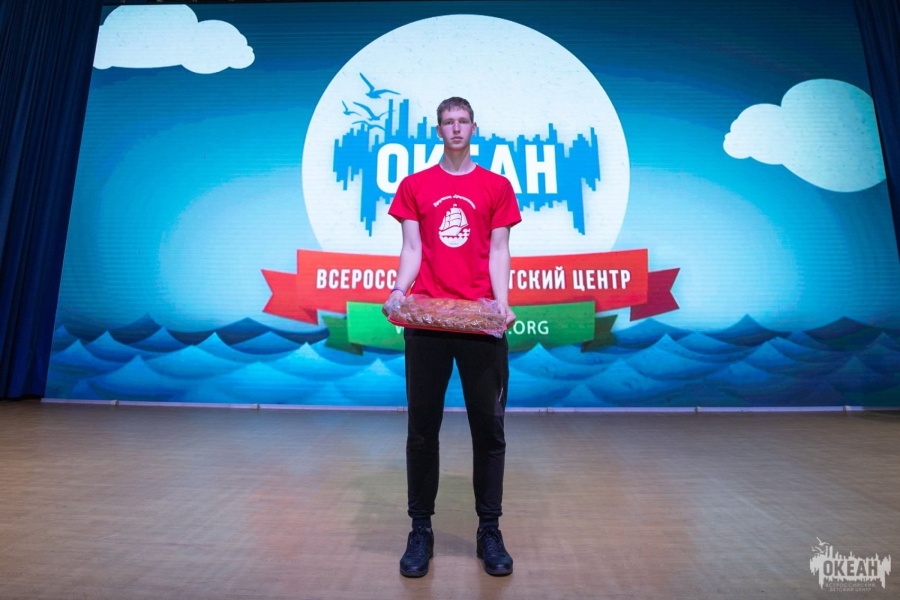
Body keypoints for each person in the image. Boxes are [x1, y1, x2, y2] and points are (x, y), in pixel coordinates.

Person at [384, 96, 521, 577]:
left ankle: (490, 530)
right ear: (438, 130)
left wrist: (501, 302)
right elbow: (412, 247)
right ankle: (420, 529)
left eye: (463, 121)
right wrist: (398, 291)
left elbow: (499, 251)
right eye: (448, 122)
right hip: (427, 325)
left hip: (481, 326)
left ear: (474, 128)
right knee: (422, 430)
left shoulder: (496, 186)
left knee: (489, 429)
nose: (456, 128)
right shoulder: (415, 185)